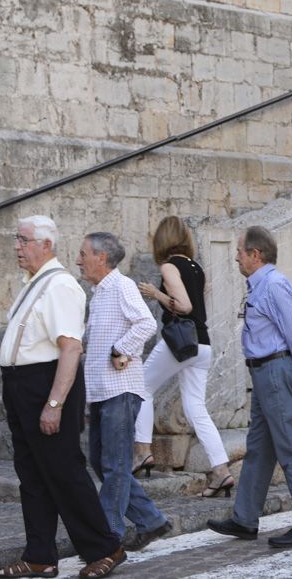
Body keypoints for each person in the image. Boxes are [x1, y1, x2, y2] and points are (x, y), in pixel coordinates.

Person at [0, 216, 124, 579]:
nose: (17, 247)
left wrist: (54, 404)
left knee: (65, 472)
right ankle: (40, 555)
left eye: (23, 240)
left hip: (45, 383)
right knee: (32, 474)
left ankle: (106, 548)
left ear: (46, 245)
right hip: (21, 384)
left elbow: (70, 349)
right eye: (17, 239)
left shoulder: (61, 285)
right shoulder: (36, 284)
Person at [206, 226, 292, 549]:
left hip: (275, 370)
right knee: (259, 448)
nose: (236, 256)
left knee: (291, 446)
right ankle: (245, 518)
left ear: (255, 255)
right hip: (263, 373)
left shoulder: (273, 285)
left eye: (240, 251)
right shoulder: (262, 285)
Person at [76, 232, 172, 553]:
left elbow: (146, 323)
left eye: (83, 254)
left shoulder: (122, 286)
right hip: (102, 391)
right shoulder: (99, 293)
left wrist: (122, 348)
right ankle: (151, 520)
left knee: (115, 465)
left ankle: (110, 536)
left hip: (121, 390)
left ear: (101, 258)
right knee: (102, 463)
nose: (78, 261)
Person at [133, 216, 234, 498]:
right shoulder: (196, 267)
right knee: (195, 408)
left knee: (141, 386)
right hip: (202, 345)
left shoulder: (169, 266)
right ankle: (221, 470)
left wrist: (157, 294)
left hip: (180, 343)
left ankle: (141, 451)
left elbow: (185, 306)